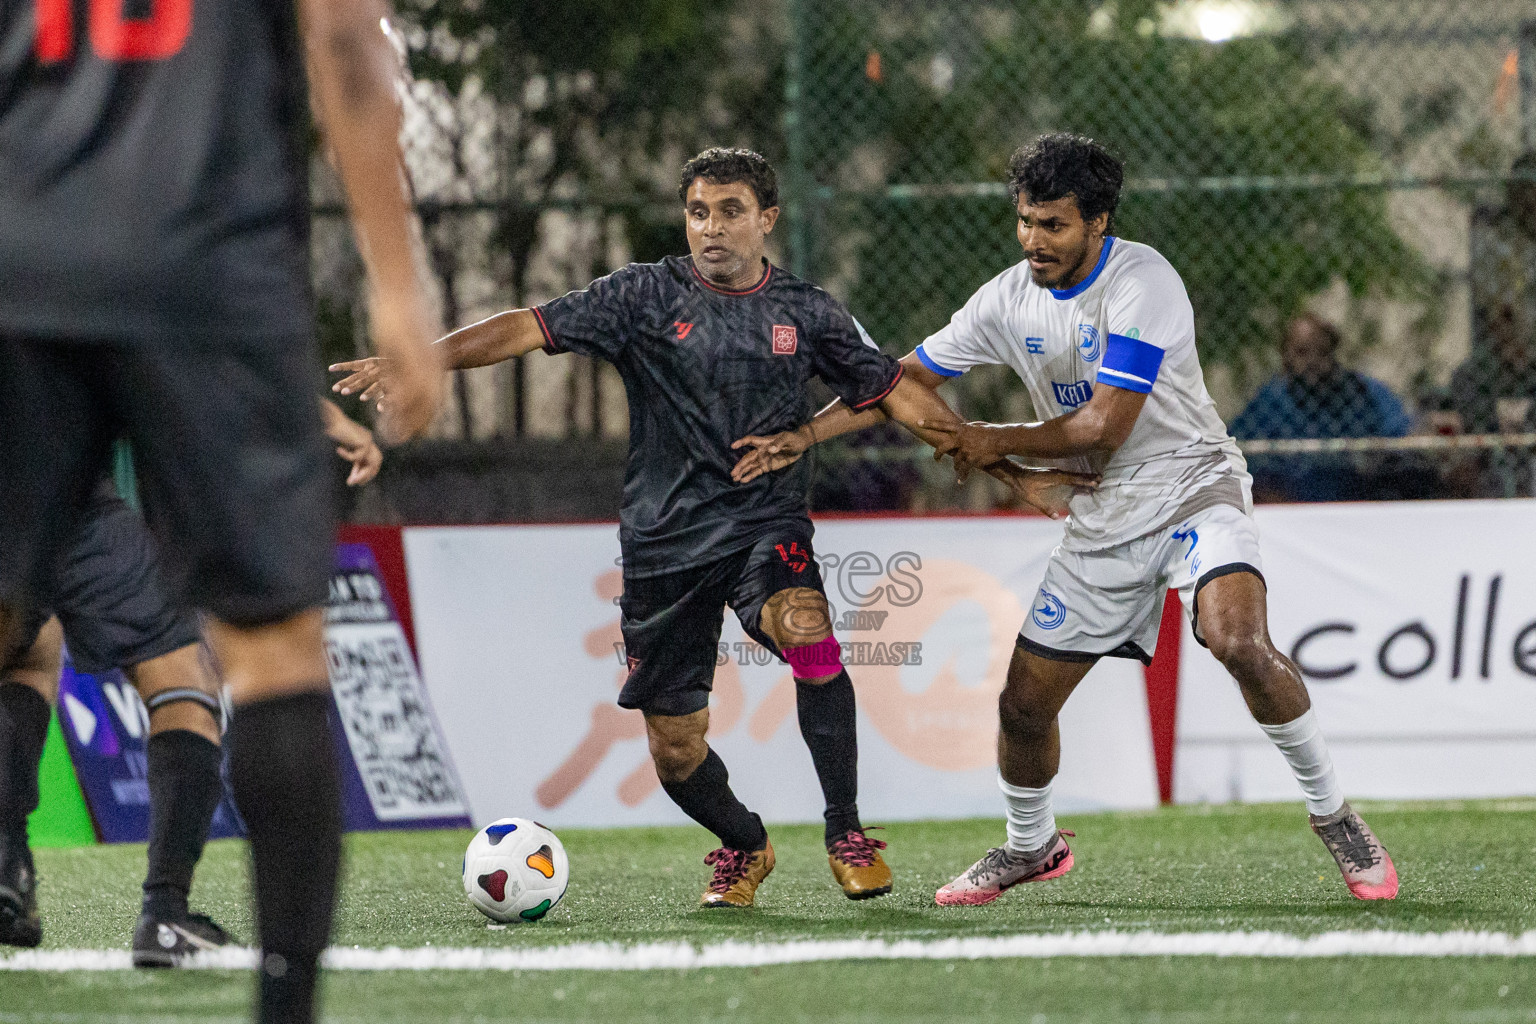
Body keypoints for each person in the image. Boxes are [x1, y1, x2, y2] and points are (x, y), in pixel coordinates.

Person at [334, 147, 1093, 908]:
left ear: (766, 218)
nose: (711, 228)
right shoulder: (641, 295)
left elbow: (897, 395)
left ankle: (846, 832)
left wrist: (1010, 472)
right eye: (698, 212)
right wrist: (423, 361)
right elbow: (526, 329)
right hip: (663, 547)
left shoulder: (807, 312)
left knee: (807, 629)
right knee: (674, 748)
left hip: (764, 524)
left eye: (730, 211)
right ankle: (744, 845)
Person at [733, 134, 1398, 905]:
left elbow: (1103, 427)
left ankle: (1336, 815)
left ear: (1099, 222)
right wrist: (805, 434)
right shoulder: (1006, 297)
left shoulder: (1144, 280)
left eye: (1054, 225)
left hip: (1190, 484)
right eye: (1025, 221)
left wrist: (992, 444)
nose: (1034, 241)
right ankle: (1031, 846)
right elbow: (898, 379)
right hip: (1102, 511)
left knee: (1237, 639)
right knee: (1023, 707)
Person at [0, 0, 441, 1020]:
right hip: (207, 266)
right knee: (274, 653)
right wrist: (397, 284)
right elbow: (346, 40)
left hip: (22, 262)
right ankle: (279, 1001)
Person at [0, 403, 382, 965]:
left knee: (26, 661)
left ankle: (7, 864)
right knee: (182, 687)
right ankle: (164, 914)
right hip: (73, 500)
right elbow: (198, 341)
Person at [1229, 313, 1412, 502]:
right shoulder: (1270, 401)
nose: (1312, 361)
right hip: (1289, 507)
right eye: (1302, 352)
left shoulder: (1362, 393)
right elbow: (1235, 452)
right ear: (1285, 356)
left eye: (1322, 352)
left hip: (1356, 501)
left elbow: (1404, 435)